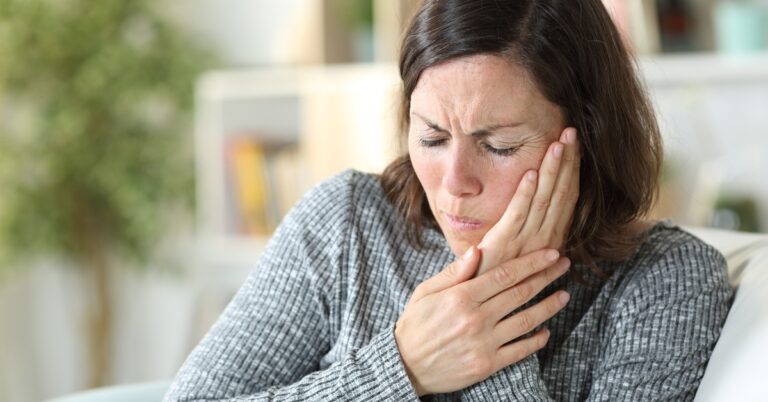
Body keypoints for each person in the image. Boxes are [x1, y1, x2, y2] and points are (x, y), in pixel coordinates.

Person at [165, 0, 732, 400]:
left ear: (589, 137)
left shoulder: (665, 280)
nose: (455, 180)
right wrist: (402, 367)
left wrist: (489, 314)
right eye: (432, 137)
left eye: (500, 145)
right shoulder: (345, 223)